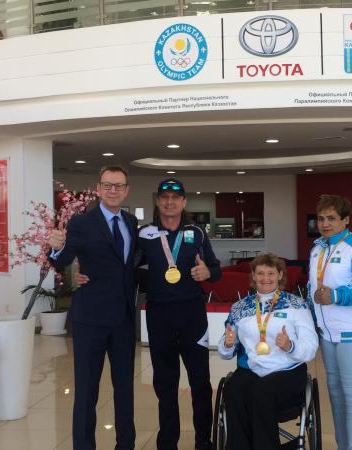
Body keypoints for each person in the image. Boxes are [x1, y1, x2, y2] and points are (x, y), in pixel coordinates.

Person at [48, 165, 138, 450]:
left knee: (125, 389)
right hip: (90, 319)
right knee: (87, 391)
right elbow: (63, 260)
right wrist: (55, 247)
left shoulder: (131, 222)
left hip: (123, 318)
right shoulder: (81, 222)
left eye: (119, 186)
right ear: (98, 189)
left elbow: (130, 265)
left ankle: (126, 444)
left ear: (126, 190)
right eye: (107, 185)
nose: (113, 190)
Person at [140, 179, 221, 450]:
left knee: (200, 381)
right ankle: (167, 442)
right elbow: (127, 270)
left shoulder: (196, 233)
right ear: (157, 201)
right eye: (164, 197)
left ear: (184, 202)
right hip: (159, 314)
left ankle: (203, 441)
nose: (169, 202)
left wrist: (207, 272)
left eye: (175, 197)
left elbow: (215, 269)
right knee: (165, 381)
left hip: (192, 314)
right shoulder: (146, 234)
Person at [218, 253, 319, 450]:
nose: (266, 279)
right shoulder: (240, 307)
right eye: (260, 273)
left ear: (280, 275)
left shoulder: (297, 305)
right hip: (251, 369)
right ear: (253, 277)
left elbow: (311, 347)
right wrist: (228, 343)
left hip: (287, 370)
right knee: (233, 390)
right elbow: (226, 351)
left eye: (271, 273)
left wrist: (290, 346)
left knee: (261, 393)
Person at [308, 194, 352, 450]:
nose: (325, 224)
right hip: (327, 333)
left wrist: (335, 296)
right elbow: (312, 287)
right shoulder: (317, 248)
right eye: (321, 218)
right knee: (335, 396)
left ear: (346, 220)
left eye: (332, 218)